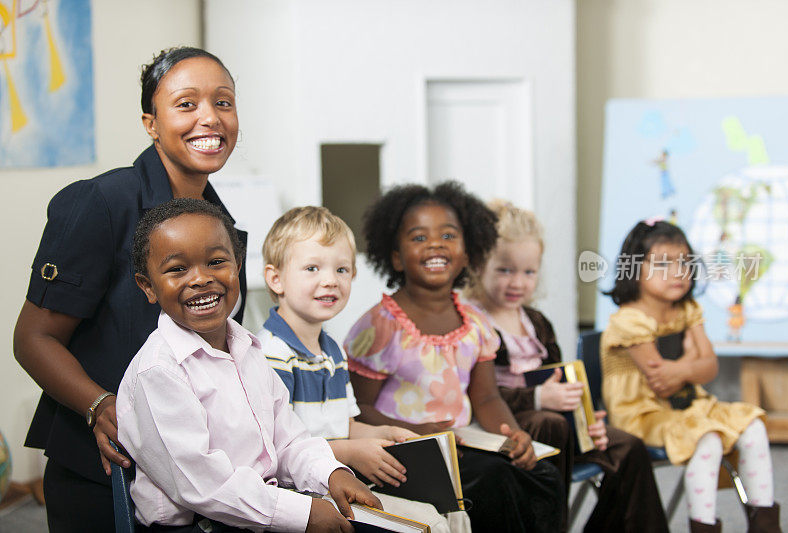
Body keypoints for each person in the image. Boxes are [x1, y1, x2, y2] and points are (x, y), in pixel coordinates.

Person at [12, 47, 248, 532]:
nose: (210, 117)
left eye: (223, 102)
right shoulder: (102, 202)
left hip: (191, 479)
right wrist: (101, 406)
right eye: (186, 104)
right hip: (103, 476)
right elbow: (33, 339)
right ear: (151, 123)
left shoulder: (219, 223)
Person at [117, 198, 380, 532]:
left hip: (258, 507)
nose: (200, 279)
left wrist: (331, 473)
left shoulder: (248, 348)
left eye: (215, 262)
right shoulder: (159, 371)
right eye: (177, 269)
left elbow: (289, 439)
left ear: (237, 265)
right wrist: (303, 513)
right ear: (147, 286)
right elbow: (202, 486)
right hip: (198, 525)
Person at [344, 182, 564, 533]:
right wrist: (417, 433)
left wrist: (515, 435)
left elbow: (487, 397)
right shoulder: (378, 327)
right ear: (396, 256)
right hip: (403, 454)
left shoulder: (476, 323)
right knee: (494, 481)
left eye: (448, 235)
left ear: (468, 253)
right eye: (418, 237)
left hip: (464, 444)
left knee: (543, 475)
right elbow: (359, 409)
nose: (434, 244)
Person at [257, 206, 471, 533]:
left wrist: (381, 434)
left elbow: (345, 426)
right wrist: (351, 452)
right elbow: (278, 451)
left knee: (453, 511)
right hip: (303, 495)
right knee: (429, 523)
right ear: (276, 279)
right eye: (312, 268)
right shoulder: (272, 353)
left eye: (342, 270)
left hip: (339, 479)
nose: (330, 280)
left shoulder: (331, 351)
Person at [463, 200, 668, 533]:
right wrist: (539, 399)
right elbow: (478, 395)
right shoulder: (471, 321)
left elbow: (560, 379)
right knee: (550, 423)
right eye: (505, 270)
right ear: (477, 265)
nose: (518, 282)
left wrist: (586, 420)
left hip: (555, 425)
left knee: (627, 447)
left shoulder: (536, 322)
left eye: (529, 272)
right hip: (497, 429)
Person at [601, 219, 780, 533]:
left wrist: (685, 367)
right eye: (662, 264)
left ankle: (765, 523)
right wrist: (691, 361)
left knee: (752, 425)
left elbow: (710, 367)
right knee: (706, 438)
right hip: (643, 414)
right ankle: (703, 526)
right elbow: (661, 382)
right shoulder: (629, 320)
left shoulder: (688, 309)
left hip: (690, 408)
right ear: (634, 269)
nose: (677, 273)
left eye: (684, 263)